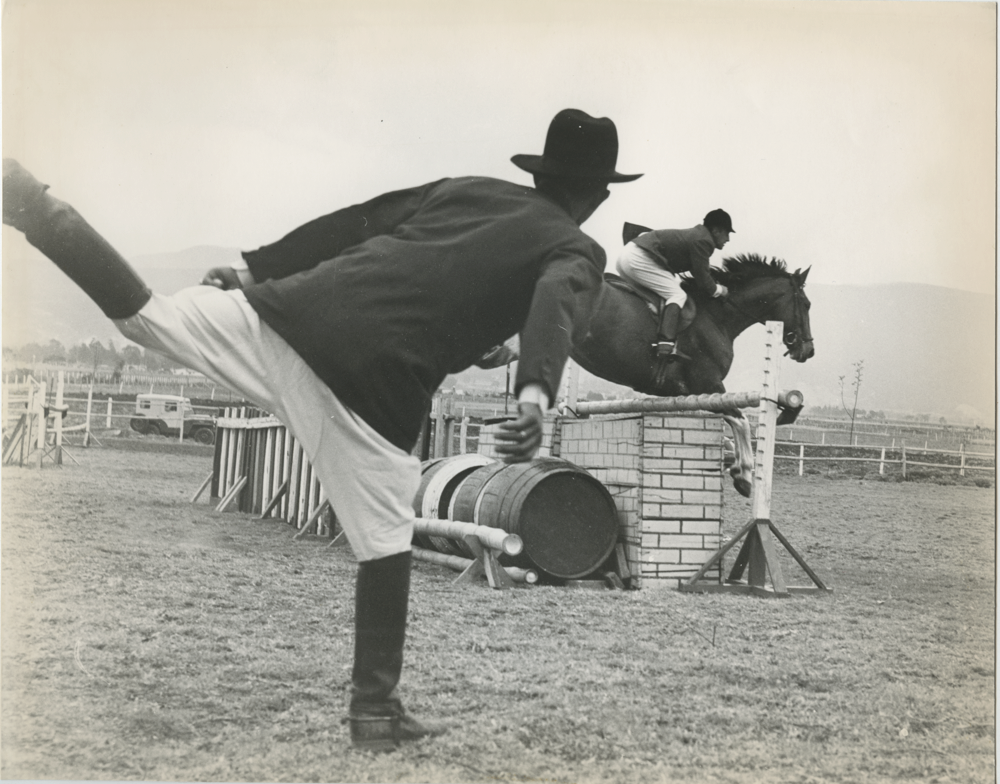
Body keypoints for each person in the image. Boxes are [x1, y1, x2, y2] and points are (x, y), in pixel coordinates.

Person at [1, 108, 641, 752]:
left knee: (152, 319)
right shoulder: (578, 248)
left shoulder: (469, 191)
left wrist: (255, 270)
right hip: (371, 386)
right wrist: (534, 392)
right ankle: (374, 711)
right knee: (387, 537)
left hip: (292, 313)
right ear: (599, 194)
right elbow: (557, 298)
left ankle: (30, 201)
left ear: (538, 173)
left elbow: (363, 219)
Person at [615, 209, 734, 361]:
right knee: (677, 295)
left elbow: (698, 272)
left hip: (625, 257)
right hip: (638, 258)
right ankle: (665, 345)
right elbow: (703, 279)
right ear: (716, 230)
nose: (728, 239)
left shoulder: (697, 236)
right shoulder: (703, 241)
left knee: (664, 292)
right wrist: (720, 290)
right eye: (727, 233)